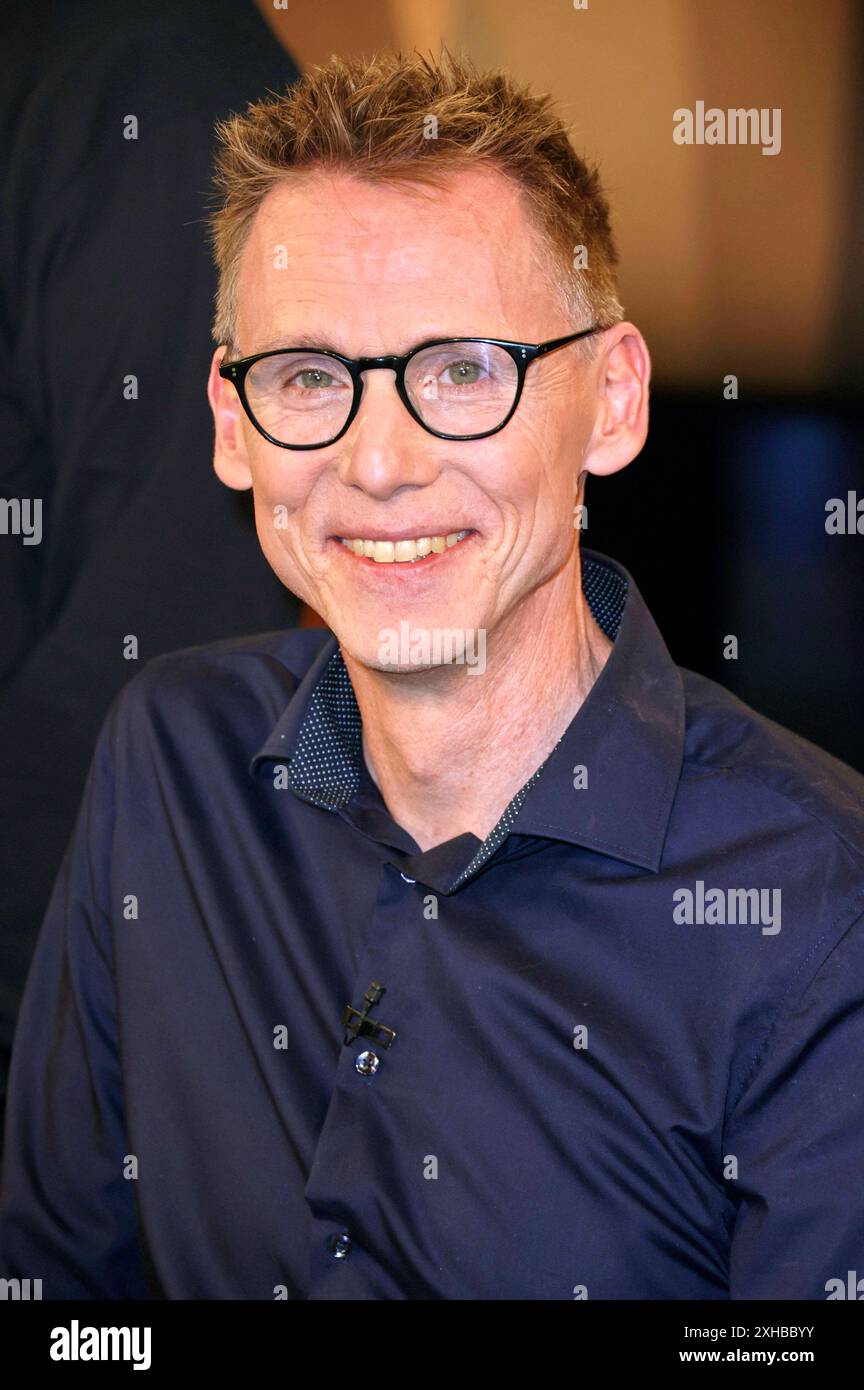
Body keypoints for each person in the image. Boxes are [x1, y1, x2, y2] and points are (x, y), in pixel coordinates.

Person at [1, 48, 863, 1301]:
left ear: (613, 402)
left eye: (463, 369)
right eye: (309, 378)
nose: (381, 461)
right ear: (233, 428)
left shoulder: (820, 914)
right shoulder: (169, 765)